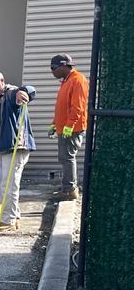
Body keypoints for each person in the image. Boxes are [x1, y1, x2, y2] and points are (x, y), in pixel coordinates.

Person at [0, 70, 35, 232]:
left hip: (14, 148)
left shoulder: (10, 93)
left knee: (8, 185)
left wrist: (24, 92)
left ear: (2, 81)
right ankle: (14, 215)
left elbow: (28, 91)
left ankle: (8, 220)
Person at [48, 53, 89, 201]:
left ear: (64, 65)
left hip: (72, 128)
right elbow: (62, 107)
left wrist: (69, 126)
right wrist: (55, 123)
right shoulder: (66, 81)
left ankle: (70, 190)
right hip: (64, 127)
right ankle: (68, 188)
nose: (52, 71)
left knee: (68, 158)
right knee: (65, 158)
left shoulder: (78, 80)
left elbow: (77, 107)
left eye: (54, 68)